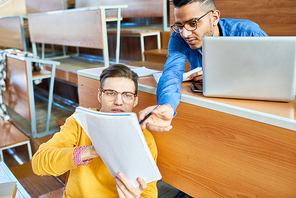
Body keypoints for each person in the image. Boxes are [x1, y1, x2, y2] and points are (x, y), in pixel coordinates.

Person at [139, 0, 268, 133]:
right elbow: (172, 71)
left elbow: (271, 75)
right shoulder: (179, 36)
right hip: (213, 115)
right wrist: (167, 105)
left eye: (193, 23)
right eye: (180, 25)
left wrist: (219, 76)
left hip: (252, 112)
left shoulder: (248, 33)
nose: (185, 34)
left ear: (214, 18)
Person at [32, 64, 158, 198]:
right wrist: (89, 151)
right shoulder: (79, 122)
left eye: (127, 95)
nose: (119, 101)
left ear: (135, 100)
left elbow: (148, 194)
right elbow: (39, 163)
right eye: (111, 93)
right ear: (100, 95)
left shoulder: (145, 139)